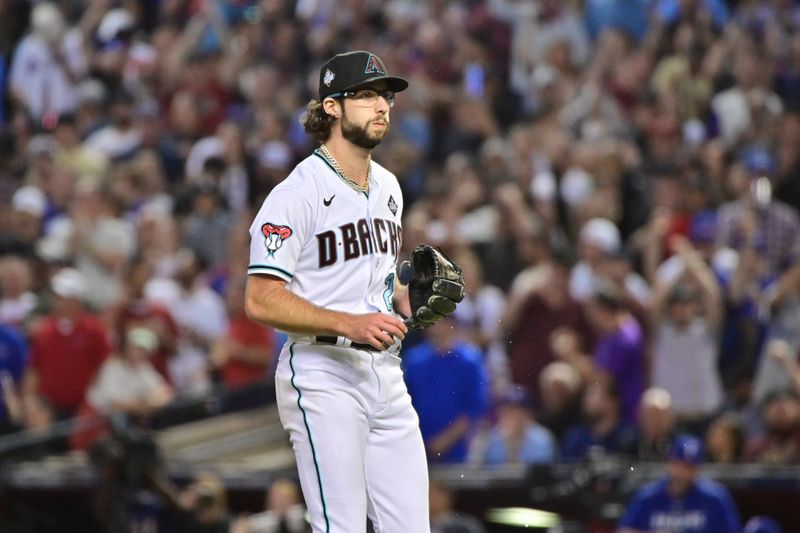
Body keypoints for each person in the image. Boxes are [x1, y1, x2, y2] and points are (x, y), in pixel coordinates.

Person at [244, 51, 431, 532]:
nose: (382, 106)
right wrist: (350, 322)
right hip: (323, 371)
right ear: (332, 106)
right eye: (366, 95)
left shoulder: (389, 186)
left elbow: (377, 289)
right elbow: (260, 297)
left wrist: (410, 300)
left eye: (385, 96)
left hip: (385, 372)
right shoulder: (296, 193)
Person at [617, 434, 742, 533]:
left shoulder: (715, 498)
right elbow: (624, 530)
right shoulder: (648, 496)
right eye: (680, 465)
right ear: (670, 463)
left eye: (690, 467)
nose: (684, 473)